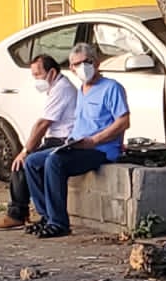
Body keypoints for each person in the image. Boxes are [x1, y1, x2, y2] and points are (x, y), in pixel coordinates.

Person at [24, 42, 130, 239]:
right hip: (77, 144)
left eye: (85, 62)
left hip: (100, 149)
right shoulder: (82, 89)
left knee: (54, 162)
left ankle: (59, 223)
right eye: (75, 64)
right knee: (32, 162)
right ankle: (47, 216)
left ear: (96, 63)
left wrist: (94, 140)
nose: (80, 68)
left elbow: (123, 122)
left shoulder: (111, 88)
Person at [0, 53, 77, 230]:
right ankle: (41, 213)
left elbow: (43, 124)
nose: (35, 80)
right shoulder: (56, 87)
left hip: (62, 140)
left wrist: (26, 150)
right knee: (25, 162)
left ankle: (18, 213)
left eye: (38, 74)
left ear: (51, 72)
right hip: (54, 138)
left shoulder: (62, 89)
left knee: (22, 163)